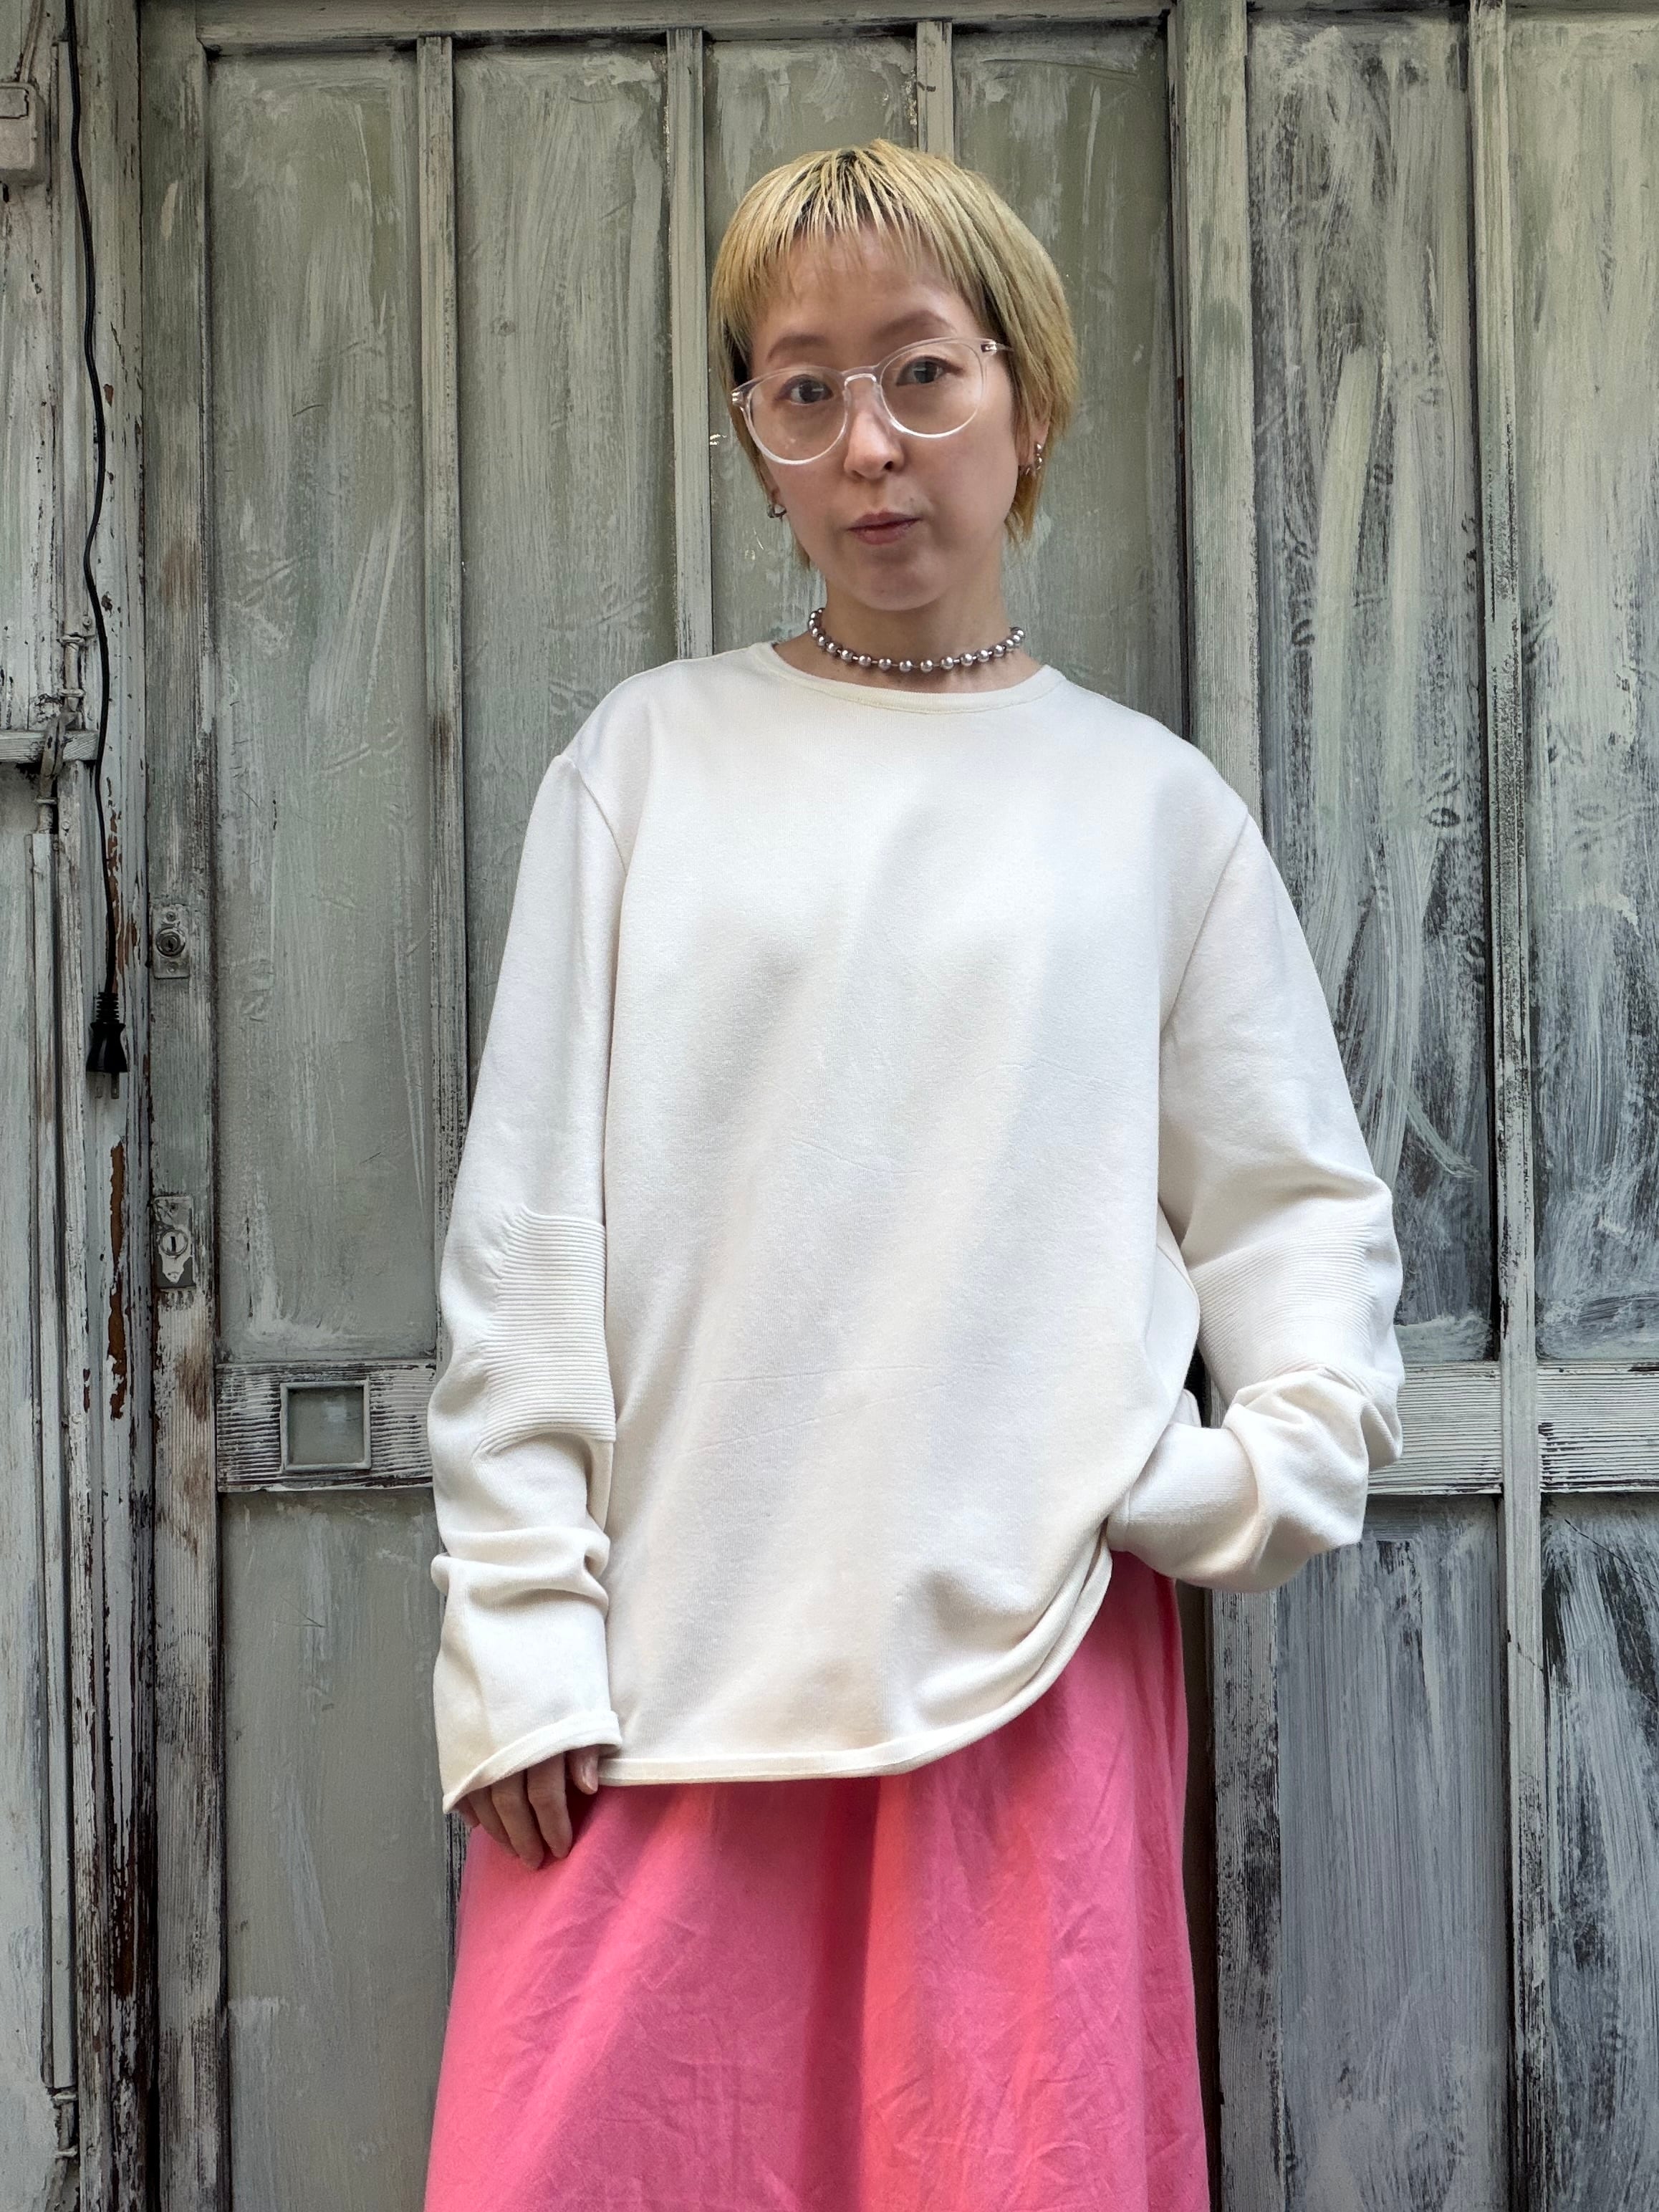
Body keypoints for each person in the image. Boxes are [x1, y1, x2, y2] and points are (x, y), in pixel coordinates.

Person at [420, 138, 1405, 2211]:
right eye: (803, 390)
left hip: (1019, 1688)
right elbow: (527, 1232)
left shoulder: (1148, 809)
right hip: (661, 1682)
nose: (868, 446)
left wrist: (1237, 1477)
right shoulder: (643, 766)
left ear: (1024, 400)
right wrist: (519, 1635)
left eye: (923, 374)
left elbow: (1294, 1213)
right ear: (753, 438)